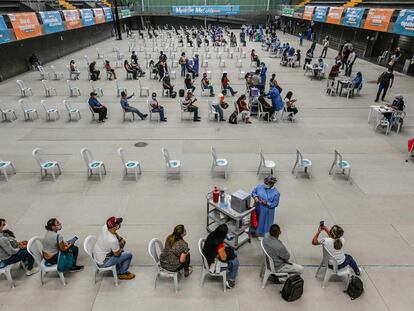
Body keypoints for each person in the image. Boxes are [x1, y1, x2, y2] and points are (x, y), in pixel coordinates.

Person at [202, 224, 239, 289]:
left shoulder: (212, 234)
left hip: (208, 257)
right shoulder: (219, 244)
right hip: (212, 265)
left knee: (231, 252)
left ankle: (231, 271)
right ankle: (231, 281)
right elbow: (224, 258)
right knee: (236, 261)